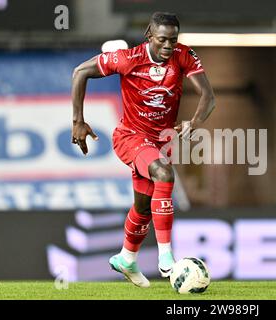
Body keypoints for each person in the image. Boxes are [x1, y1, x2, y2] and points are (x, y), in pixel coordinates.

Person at [71, 12, 215, 287]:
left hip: (162, 140)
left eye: (173, 40)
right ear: (149, 34)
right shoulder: (127, 59)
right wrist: (78, 120)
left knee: (144, 206)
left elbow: (208, 96)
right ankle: (167, 259)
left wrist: (195, 122)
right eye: (162, 40)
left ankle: (126, 257)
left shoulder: (184, 55)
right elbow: (80, 72)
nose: (168, 46)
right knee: (164, 174)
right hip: (131, 137)